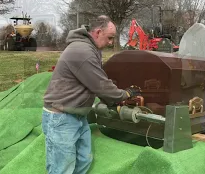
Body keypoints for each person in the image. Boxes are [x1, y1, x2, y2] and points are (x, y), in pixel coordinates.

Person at [41, 15, 141, 174]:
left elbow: (94, 82)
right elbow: (100, 84)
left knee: (83, 159)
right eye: (110, 38)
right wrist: (125, 94)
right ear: (98, 32)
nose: (111, 42)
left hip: (77, 115)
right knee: (62, 168)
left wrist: (112, 99)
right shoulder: (82, 51)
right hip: (61, 117)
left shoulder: (90, 49)